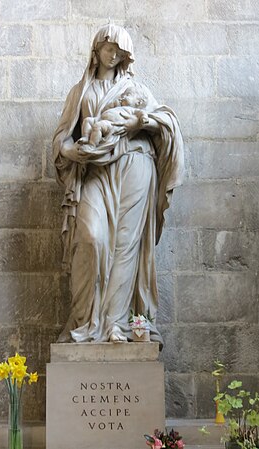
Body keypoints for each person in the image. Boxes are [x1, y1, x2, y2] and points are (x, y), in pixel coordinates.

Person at [53, 24, 184, 347]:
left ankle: (117, 324)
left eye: (120, 51)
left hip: (136, 165)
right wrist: (72, 151)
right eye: (109, 48)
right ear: (96, 50)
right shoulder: (80, 91)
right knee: (91, 238)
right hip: (95, 171)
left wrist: (141, 121)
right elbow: (61, 137)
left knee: (126, 245)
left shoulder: (134, 88)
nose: (114, 55)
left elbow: (165, 121)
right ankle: (85, 322)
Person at [79, 86, 149, 147]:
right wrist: (112, 105)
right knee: (87, 120)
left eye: (128, 95)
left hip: (112, 124)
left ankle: (92, 145)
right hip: (101, 118)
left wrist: (144, 118)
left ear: (138, 102)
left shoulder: (133, 111)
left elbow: (142, 113)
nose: (123, 97)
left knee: (98, 126)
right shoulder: (118, 105)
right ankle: (86, 137)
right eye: (123, 95)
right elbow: (104, 110)